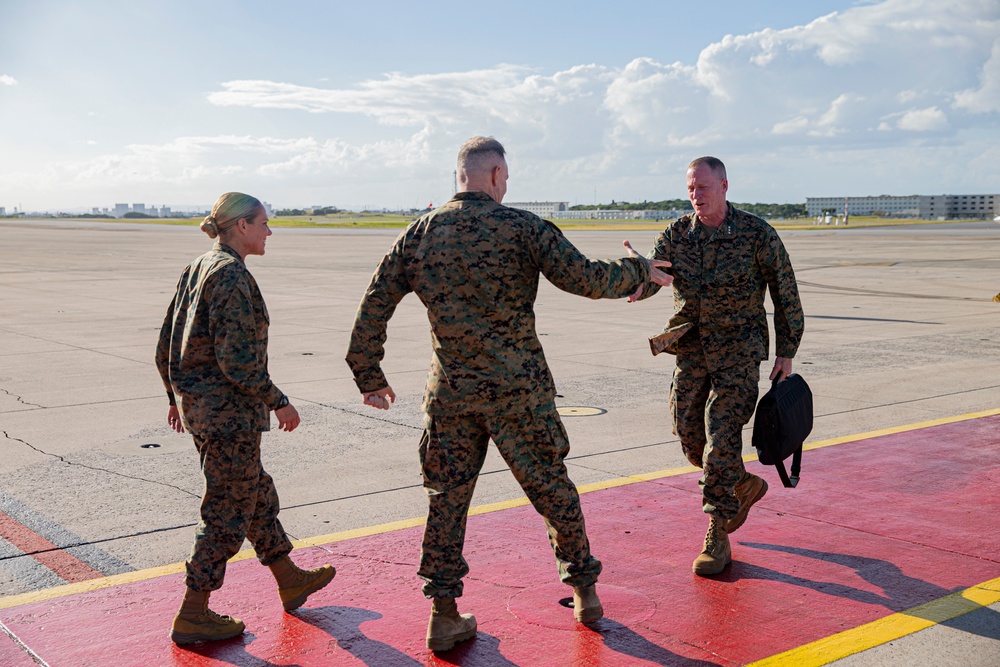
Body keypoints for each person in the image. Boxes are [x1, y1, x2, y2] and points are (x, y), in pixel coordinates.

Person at [346, 136, 673, 652]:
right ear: (496, 174)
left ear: (461, 175)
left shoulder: (420, 234)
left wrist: (368, 373)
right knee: (551, 489)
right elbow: (585, 278)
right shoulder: (523, 227)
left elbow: (374, 304)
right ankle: (586, 593)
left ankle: (444, 613)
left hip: (451, 394)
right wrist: (641, 272)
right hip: (518, 392)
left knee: (446, 500)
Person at [156, 192, 335, 644]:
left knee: (254, 493)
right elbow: (236, 359)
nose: (269, 232)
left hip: (203, 410)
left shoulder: (198, 267)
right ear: (240, 226)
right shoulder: (231, 276)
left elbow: (165, 345)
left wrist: (174, 398)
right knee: (225, 511)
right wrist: (278, 400)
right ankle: (193, 612)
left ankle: (289, 577)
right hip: (228, 414)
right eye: (263, 224)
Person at [629, 157, 804, 576]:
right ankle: (742, 485)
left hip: (738, 354)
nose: (696, 195)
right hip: (691, 350)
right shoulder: (677, 234)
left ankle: (717, 534)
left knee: (720, 437)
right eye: (691, 188)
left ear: (724, 185)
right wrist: (635, 275)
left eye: (704, 187)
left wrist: (786, 350)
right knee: (691, 439)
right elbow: (656, 277)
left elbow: (786, 291)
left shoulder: (756, 233)